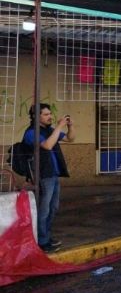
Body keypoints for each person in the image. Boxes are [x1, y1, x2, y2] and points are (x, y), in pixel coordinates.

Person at [24, 103, 74, 252]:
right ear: (35, 116)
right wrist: (59, 127)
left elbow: (70, 138)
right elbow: (47, 145)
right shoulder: (31, 132)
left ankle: (45, 236)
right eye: (46, 114)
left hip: (53, 174)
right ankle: (41, 241)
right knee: (44, 209)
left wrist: (70, 126)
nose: (50, 117)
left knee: (53, 207)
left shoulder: (49, 130)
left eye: (50, 114)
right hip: (43, 175)